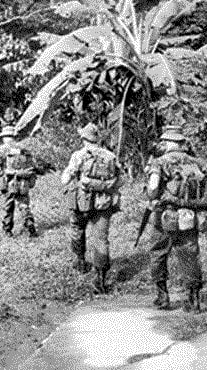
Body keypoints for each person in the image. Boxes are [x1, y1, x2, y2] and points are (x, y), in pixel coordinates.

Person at [144, 126, 207, 311]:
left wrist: (151, 195)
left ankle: (163, 297)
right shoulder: (196, 163)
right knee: (190, 254)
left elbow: (153, 189)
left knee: (158, 253)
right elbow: (202, 189)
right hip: (189, 215)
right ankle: (193, 300)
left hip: (164, 215)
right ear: (181, 143)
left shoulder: (159, 162)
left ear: (168, 143)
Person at [61, 123, 122, 294]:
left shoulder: (78, 155)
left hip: (83, 202)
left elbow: (65, 179)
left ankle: (80, 261)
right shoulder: (110, 156)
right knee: (101, 239)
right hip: (103, 202)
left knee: (77, 229)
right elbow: (120, 179)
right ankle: (100, 279)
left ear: (83, 139)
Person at [0, 126, 38, 238]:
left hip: (9, 182)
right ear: (14, 136)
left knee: (9, 206)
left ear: (4, 137)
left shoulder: (2, 149)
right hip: (23, 182)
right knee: (24, 204)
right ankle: (29, 223)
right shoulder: (24, 149)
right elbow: (32, 166)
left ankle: (8, 230)